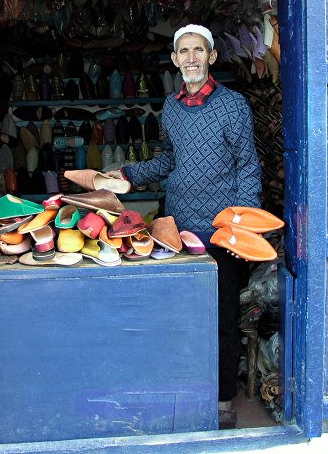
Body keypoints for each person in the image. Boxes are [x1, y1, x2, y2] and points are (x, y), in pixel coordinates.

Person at [108, 24, 262, 429]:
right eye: (184, 51)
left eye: (199, 51)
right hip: (177, 232)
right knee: (182, 316)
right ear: (175, 60)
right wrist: (125, 173)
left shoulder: (233, 106)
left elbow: (247, 168)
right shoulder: (171, 108)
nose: (191, 58)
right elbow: (167, 161)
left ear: (212, 57)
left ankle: (224, 398)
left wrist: (242, 230)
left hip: (221, 234)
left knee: (222, 318)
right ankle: (186, 390)